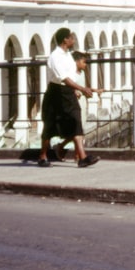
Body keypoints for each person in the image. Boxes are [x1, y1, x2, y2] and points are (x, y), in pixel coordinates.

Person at [38, 28, 99, 168]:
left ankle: (83, 157)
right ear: (65, 39)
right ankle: (42, 155)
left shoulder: (68, 55)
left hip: (68, 92)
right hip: (56, 91)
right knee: (50, 124)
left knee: (76, 119)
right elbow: (63, 78)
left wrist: (76, 89)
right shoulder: (55, 56)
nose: (73, 39)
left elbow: (71, 75)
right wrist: (82, 88)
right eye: (71, 37)